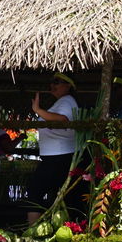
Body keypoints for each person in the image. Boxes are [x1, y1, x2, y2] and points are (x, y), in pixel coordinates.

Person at [28, 74, 81, 211]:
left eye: (57, 82)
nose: (52, 85)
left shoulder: (67, 101)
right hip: (57, 156)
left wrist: (38, 110)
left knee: (34, 192)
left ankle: (34, 225)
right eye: (51, 82)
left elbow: (62, 119)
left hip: (59, 156)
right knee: (57, 195)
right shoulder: (63, 102)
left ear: (68, 86)